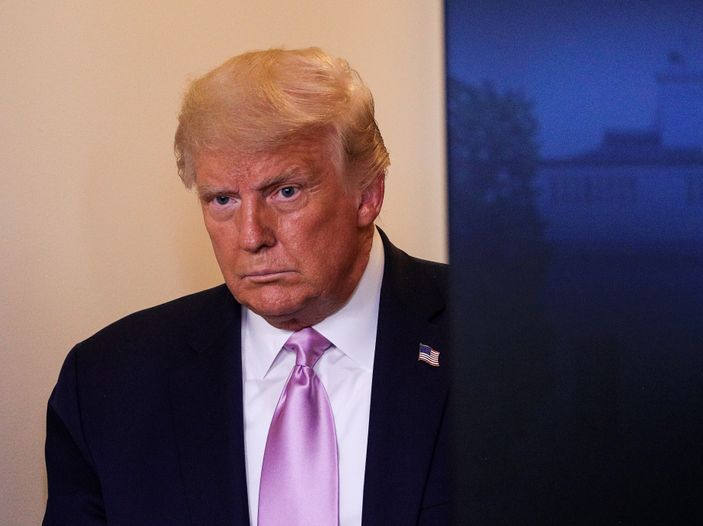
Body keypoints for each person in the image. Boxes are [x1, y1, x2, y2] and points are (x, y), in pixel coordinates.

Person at [43, 48, 449, 526]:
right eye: (223, 200)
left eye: (286, 192)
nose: (252, 236)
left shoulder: (509, 344)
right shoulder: (107, 383)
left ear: (368, 194)